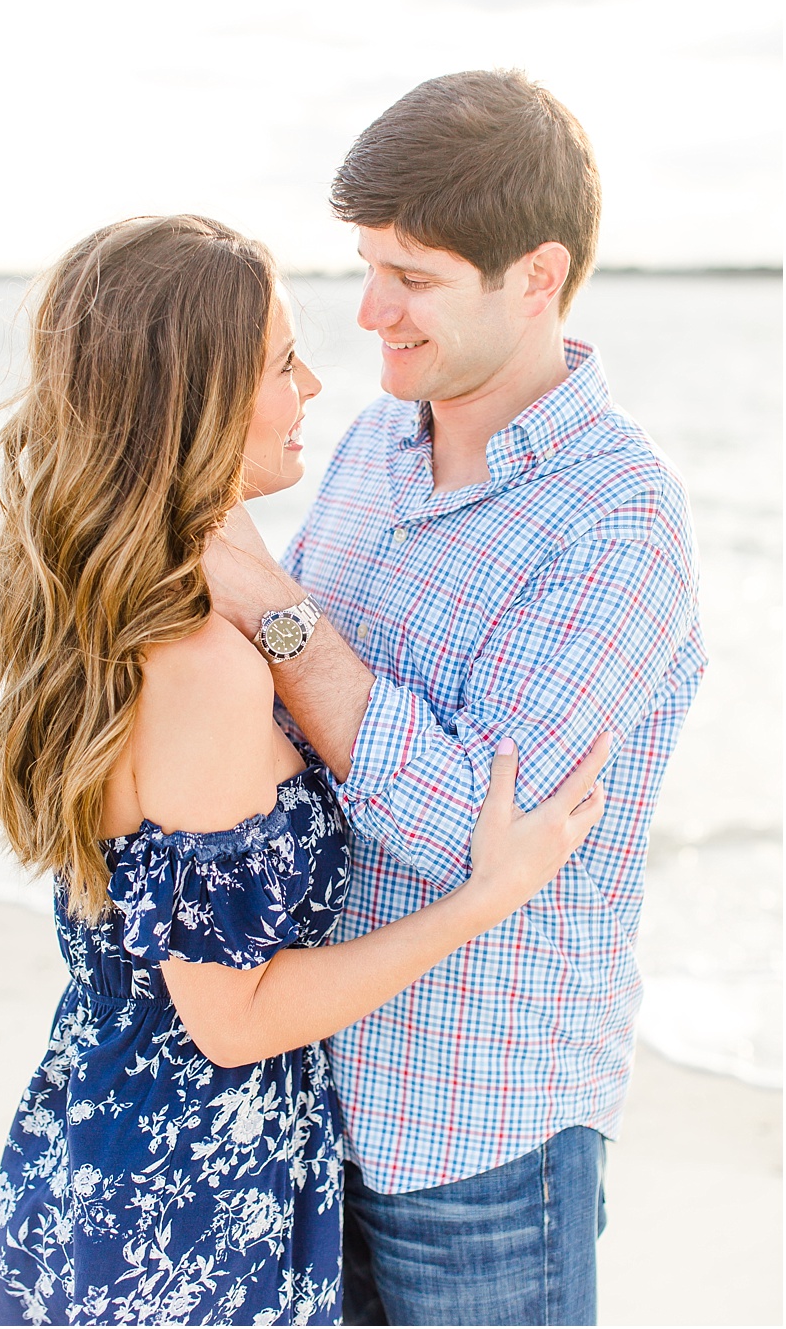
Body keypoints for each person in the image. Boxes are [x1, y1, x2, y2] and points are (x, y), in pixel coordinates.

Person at [0, 214, 614, 1325]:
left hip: (114, 1129)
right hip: (188, 1198)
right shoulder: (198, 661)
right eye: (279, 362)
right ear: (197, 396)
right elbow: (234, 1016)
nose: (315, 381)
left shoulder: (196, 570)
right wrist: (490, 893)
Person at [200, 71, 704, 1325]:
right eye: (368, 266)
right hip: (308, 1088)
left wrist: (277, 613)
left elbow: (469, 837)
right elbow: (291, 742)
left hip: (481, 1133)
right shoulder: (375, 440)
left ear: (537, 275)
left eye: (412, 277)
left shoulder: (620, 524)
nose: (371, 312)